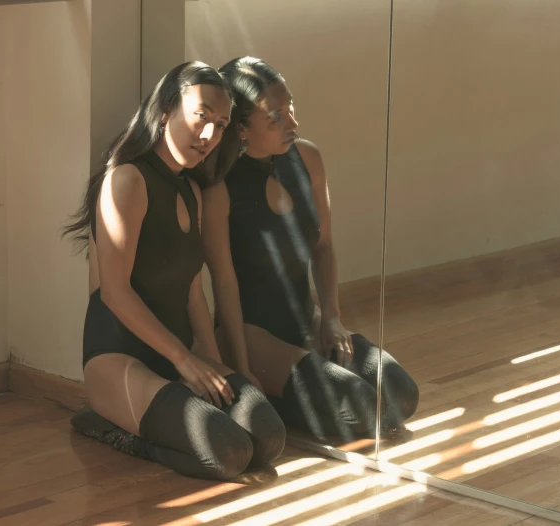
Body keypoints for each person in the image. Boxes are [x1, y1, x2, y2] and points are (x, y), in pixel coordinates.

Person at [61, 61, 285, 480]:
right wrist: (185, 360)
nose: (208, 135)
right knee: (230, 452)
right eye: (201, 117)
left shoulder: (191, 191)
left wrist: (218, 367)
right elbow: (114, 292)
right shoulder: (125, 180)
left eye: (219, 126)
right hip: (121, 359)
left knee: (267, 438)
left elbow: (192, 290)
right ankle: (108, 425)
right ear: (166, 110)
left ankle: (180, 404)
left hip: (181, 356)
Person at [200, 57, 419, 443]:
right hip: (254, 334)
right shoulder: (220, 187)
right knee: (361, 408)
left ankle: (307, 381)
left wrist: (332, 318)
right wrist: (239, 362)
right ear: (242, 129)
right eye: (276, 118)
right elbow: (224, 280)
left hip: (308, 319)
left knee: (401, 395)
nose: (293, 125)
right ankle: (283, 389)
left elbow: (324, 247)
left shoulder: (308, 158)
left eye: (291, 110)